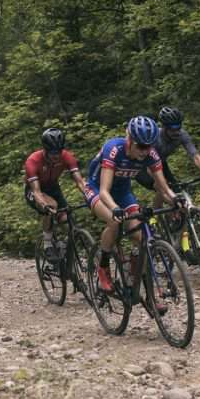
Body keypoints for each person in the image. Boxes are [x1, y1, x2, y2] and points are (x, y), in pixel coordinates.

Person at [84, 116, 178, 302]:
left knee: (142, 238)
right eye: (141, 146)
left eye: (149, 146)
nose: (145, 151)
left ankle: (145, 293)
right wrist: (115, 209)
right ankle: (103, 267)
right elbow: (104, 191)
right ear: (130, 141)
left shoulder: (150, 155)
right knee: (114, 220)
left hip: (123, 192)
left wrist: (176, 199)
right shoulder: (114, 149)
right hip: (97, 189)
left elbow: (163, 187)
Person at [24, 128, 87, 261]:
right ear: (45, 149)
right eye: (52, 152)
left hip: (53, 188)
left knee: (68, 222)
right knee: (51, 205)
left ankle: (63, 251)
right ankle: (47, 244)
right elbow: (36, 191)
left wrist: (90, 196)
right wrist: (44, 205)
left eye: (58, 151)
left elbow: (80, 182)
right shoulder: (33, 161)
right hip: (34, 190)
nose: (56, 156)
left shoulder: (66, 156)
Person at [135, 106, 200, 208]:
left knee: (179, 194)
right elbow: (151, 167)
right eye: (172, 129)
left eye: (178, 128)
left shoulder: (182, 135)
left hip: (161, 163)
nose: (176, 132)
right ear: (164, 127)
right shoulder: (154, 137)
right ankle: (155, 216)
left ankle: (177, 219)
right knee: (162, 188)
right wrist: (163, 184)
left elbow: (195, 155)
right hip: (142, 166)